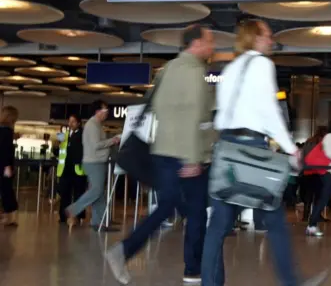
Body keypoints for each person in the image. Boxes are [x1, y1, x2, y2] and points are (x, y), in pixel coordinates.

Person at [202, 18, 327, 286]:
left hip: (226, 147)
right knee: (275, 220)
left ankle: (208, 283)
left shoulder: (230, 67)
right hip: (252, 148)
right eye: (267, 35)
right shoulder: (261, 64)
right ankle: (291, 282)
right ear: (255, 37)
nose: (271, 40)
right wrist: (292, 149)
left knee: (218, 226)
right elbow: (269, 114)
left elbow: (220, 113)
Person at [105, 25, 215, 285]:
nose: (213, 46)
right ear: (196, 43)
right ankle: (192, 271)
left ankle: (125, 250)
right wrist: (192, 159)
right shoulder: (195, 72)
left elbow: (156, 108)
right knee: (197, 212)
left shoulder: (166, 70)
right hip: (186, 154)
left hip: (162, 150)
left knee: (168, 206)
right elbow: (193, 117)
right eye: (209, 41)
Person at [65, 100, 120, 231]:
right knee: (96, 190)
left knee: (99, 193)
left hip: (96, 161)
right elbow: (96, 145)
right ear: (98, 111)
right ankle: (73, 209)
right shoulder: (93, 125)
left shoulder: (96, 124)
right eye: (105, 110)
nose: (107, 113)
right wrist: (113, 140)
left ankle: (98, 222)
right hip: (94, 162)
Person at [57, 114, 87, 224]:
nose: (70, 124)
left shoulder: (83, 134)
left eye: (73, 121)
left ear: (79, 123)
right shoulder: (64, 135)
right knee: (65, 193)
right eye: (69, 121)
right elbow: (59, 149)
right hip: (66, 168)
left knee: (79, 193)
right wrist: (59, 143)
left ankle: (78, 216)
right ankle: (63, 216)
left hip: (78, 168)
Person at [0, 106, 19, 226]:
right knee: (6, 190)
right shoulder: (7, 131)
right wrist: (7, 166)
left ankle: (6, 215)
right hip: (4, 166)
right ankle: (8, 216)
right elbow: (5, 150)